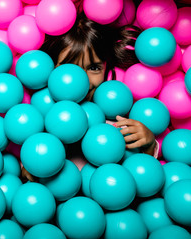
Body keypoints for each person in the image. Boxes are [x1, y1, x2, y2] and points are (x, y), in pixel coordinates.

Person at [20, 13, 159, 181]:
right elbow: (31, 153)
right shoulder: (43, 116)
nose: (82, 80)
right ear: (51, 68)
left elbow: (141, 172)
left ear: (106, 68)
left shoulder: (116, 120)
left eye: (93, 68)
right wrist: (29, 169)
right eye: (70, 69)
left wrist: (149, 145)